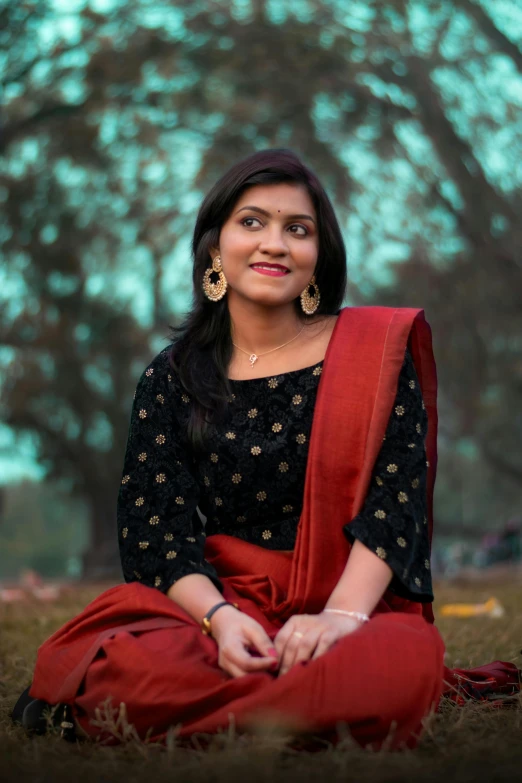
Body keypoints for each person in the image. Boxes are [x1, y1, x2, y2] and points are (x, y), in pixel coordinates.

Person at [16, 149, 519, 749]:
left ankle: (209, 710)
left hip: (351, 608)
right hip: (225, 604)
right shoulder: (172, 378)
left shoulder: (374, 356)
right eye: (251, 222)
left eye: (297, 229)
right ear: (214, 248)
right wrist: (223, 622)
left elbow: (395, 506)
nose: (274, 243)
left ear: (319, 257)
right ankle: (296, 705)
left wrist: (339, 619)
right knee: (127, 654)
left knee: (400, 659)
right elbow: (156, 531)